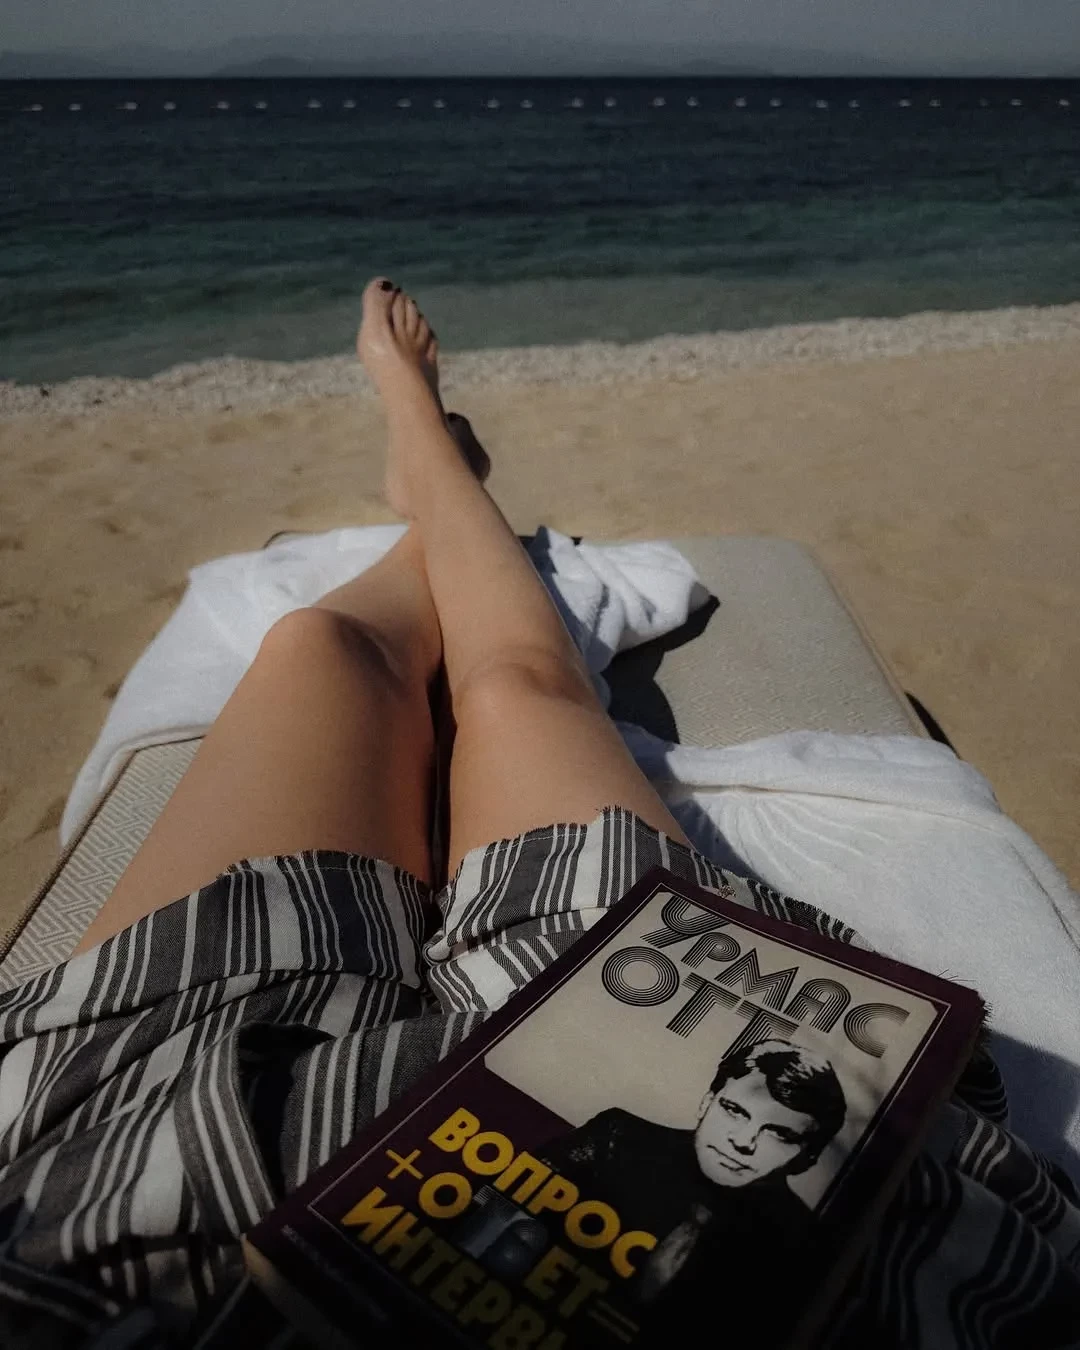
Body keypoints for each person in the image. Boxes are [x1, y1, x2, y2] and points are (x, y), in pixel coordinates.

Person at [0, 279, 1077, 1349]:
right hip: (648, 1009)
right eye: (748, 1114)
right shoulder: (669, 1137)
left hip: (161, 1154)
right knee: (516, 687)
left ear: (796, 1151)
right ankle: (435, 470)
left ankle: (429, 480)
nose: (747, 1139)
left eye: (770, 1131)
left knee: (322, 650)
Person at [538, 1040, 845, 1326]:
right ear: (706, 1103)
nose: (743, 1141)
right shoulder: (614, 1139)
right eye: (735, 1111)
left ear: (808, 1157)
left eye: (780, 1134)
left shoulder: (799, 1246)